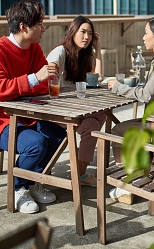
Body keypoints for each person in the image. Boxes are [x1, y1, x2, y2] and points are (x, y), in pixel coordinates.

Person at [0, 0, 66, 214]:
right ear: (24, 27)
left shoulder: (34, 49)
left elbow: (43, 84)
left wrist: (29, 84)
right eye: (40, 24)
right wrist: (32, 79)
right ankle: (18, 189)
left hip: (23, 115)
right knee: (35, 144)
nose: (44, 29)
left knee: (59, 136)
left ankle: (33, 181)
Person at [107, 16, 154, 204]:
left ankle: (125, 185)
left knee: (117, 131)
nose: (143, 37)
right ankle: (136, 176)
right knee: (131, 127)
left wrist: (117, 86)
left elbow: (146, 95)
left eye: (146, 33)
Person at [46, 15, 106, 186]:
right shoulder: (60, 52)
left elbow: (97, 78)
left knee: (101, 115)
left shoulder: (82, 55)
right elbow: (47, 76)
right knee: (91, 125)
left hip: (73, 108)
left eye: (90, 34)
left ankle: (80, 168)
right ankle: (80, 175)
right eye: (83, 32)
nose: (86, 37)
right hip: (56, 110)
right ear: (72, 31)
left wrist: (98, 48)